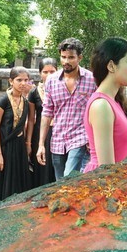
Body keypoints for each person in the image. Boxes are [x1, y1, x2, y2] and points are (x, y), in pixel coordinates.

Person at [36, 38, 97, 180]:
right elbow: (47, 113)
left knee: (68, 176)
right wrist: (41, 144)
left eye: (71, 57)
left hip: (80, 136)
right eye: (63, 57)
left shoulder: (91, 79)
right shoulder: (51, 81)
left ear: (80, 58)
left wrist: (92, 137)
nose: (66, 61)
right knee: (60, 182)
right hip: (57, 138)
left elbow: (96, 110)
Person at [83, 38, 127, 173]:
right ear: (111, 66)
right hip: (104, 185)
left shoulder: (114, 102)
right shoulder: (101, 105)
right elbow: (106, 169)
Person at [0, 66, 32, 208]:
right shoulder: (2, 100)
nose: (23, 83)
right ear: (11, 81)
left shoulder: (26, 102)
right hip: (2, 147)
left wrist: (27, 144)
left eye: (26, 80)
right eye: (19, 80)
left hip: (18, 148)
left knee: (16, 183)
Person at [27, 57, 57, 187]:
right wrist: (28, 142)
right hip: (40, 134)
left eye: (52, 71)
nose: (49, 75)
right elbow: (31, 118)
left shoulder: (63, 88)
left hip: (58, 133)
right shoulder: (34, 92)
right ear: (40, 73)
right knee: (41, 168)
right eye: (45, 72)